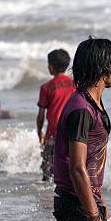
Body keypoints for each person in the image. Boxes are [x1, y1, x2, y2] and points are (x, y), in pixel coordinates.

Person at [52, 37, 111, 221]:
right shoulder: (81, 109)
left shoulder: (92, 102)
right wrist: (94, 219)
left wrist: (102, 206)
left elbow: (91, 163)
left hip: (86, 200)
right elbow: (77, 167)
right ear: (104, 69)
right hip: (76, 204)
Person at [37, 49, 76, 181]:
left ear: (51, 67)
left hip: (53, 133)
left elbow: (41, 115)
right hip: (71, 131)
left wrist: (39, 133)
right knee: (70, 165)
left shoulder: (46, 87)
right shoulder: (75, 84)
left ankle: (47, 196)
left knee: (47, 168)